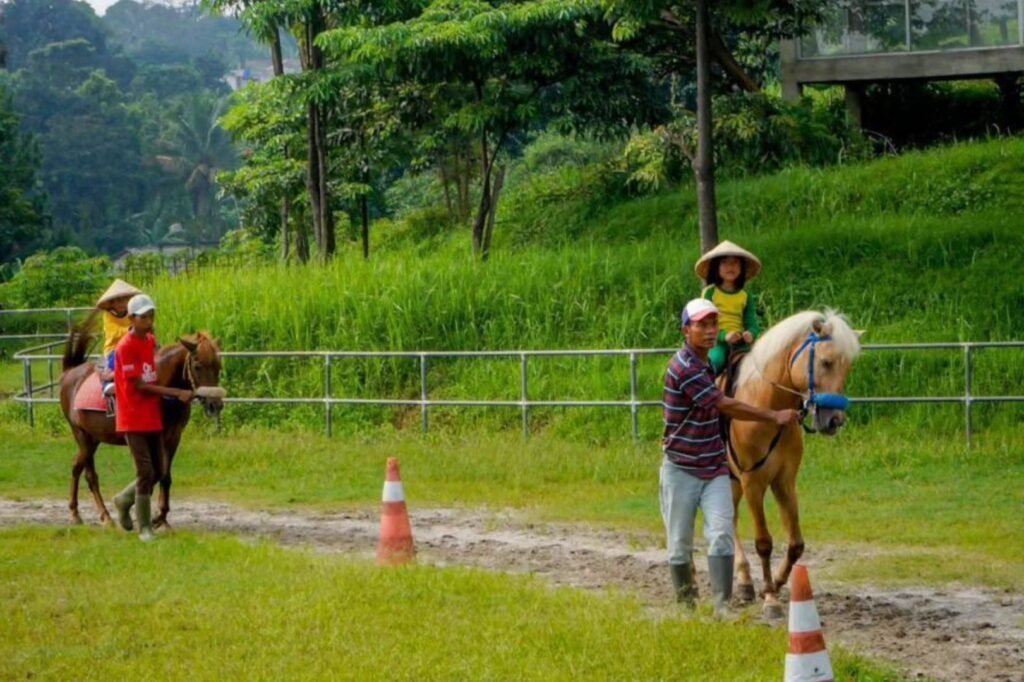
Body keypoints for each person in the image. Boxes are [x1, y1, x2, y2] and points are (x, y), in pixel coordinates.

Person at [661, 298, 799, 614]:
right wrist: (772, 416)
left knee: (722, 534)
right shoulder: (684, 367)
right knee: (680, 544)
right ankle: (686, 607)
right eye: (702, 325)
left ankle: (721, 607)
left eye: (714, 325)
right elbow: (723, 404)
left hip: (713, 467)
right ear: (686, 330)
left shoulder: (708, 363)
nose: (710, 331)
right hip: (681, 467)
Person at [110, 294, 192, 542]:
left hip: (151, 416)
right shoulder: (125, 347)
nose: (149, 320)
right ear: (132, 319)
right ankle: (144, 527)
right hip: (133, 416)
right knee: (145, 471)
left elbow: (151, 376)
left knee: (159, 470)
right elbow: (140, 386)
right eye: (143, 316)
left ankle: (124, 499)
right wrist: (174, 392)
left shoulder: (150, 341)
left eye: (151, 315)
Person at [694, 240, 762, 375]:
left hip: (741, 343)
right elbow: (705, 323)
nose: (730, 266)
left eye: (735, 262)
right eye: (724, 262)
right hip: (717, 343)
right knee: (715, 361)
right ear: (716, 267)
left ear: (741, 267)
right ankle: (702, 392)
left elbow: (752, 322)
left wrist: (751, 333)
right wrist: (724, 335)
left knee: (761, 365)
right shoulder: (710, 292)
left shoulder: (745, 295)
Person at [95, 279, 142, 415]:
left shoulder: (133, 313)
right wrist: (132, 329)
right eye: (118, 300)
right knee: (115, 359)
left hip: (135, 346)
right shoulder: (108, 316)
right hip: (114, 348)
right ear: (112, 303)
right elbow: (114, 332)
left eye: (124, 299)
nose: (121, 303)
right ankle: (108, 385)